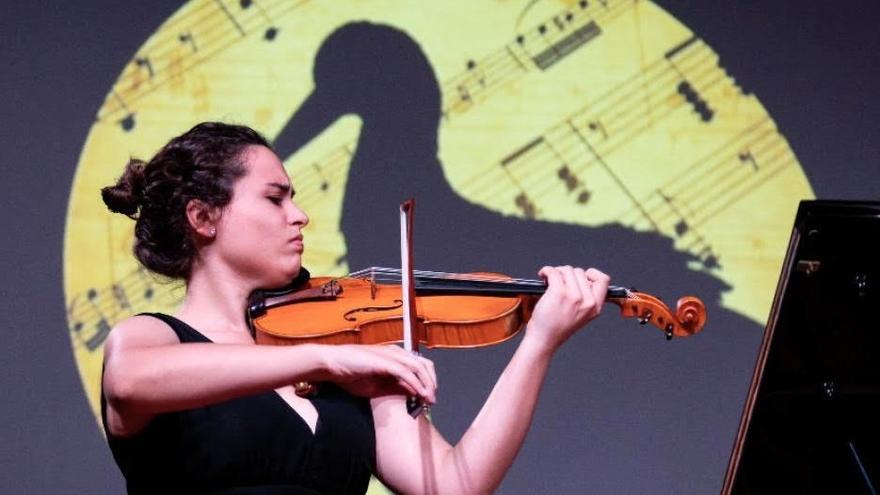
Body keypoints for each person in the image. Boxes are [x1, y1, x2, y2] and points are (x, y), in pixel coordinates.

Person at [100, 121, 610, 494]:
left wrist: (539, 343)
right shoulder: (151, 339)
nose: (299, 216)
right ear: (203, 217)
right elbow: (130, 381)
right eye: (275, 199)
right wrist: (325, 358)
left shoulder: (342, 359)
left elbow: (455, 487)